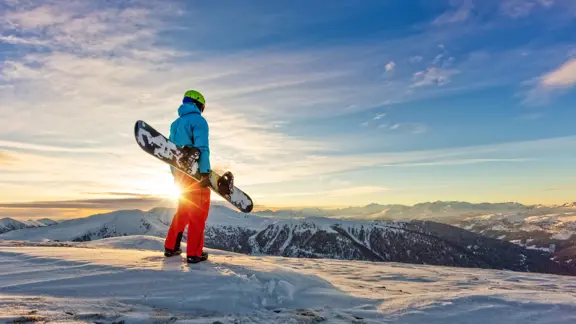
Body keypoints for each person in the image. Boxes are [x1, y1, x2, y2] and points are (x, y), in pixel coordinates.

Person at [164, 90, 212, 264]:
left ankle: (171, 247)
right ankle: (194, 253)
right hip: (196, 175)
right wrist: (205, 172)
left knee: (183, 212)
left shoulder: (175, 124)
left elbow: (170, 154)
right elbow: (202, 147)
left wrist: (176, 175)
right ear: (199, 104)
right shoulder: (199, 120)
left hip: (180, 176)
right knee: (198, 214)